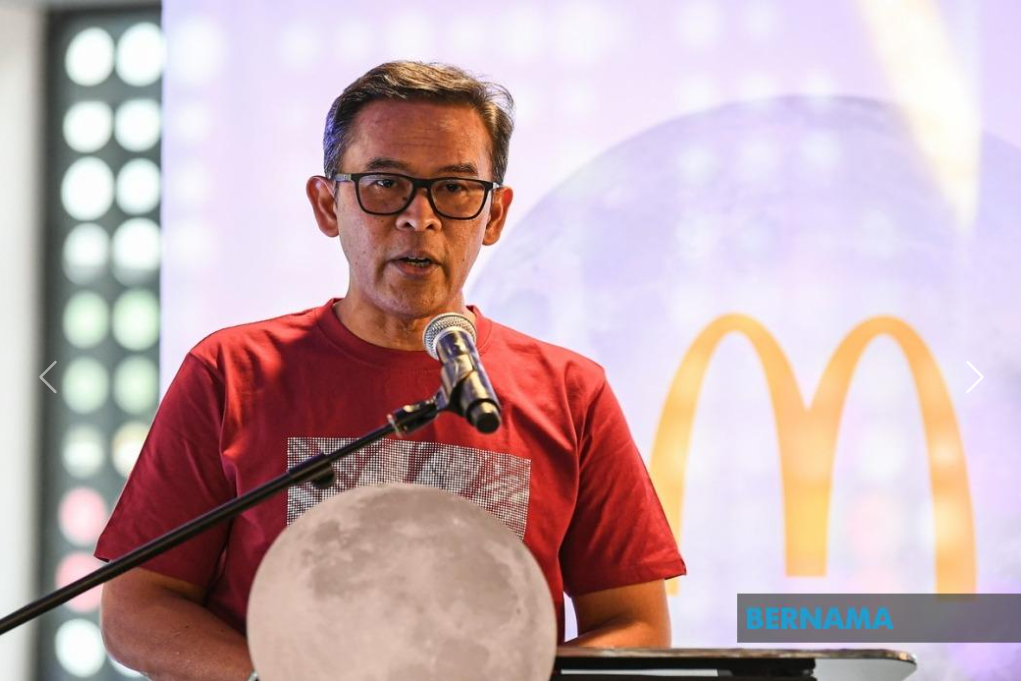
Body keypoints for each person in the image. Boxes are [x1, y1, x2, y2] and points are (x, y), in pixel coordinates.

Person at [96, 61, 686, 680]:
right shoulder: (231, 373)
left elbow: (637, 626)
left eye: (455, 188)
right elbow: (138, 607)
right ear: (328, 204)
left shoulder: (571, 392)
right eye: (385, 184)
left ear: (495, 215)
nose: (419, 217)